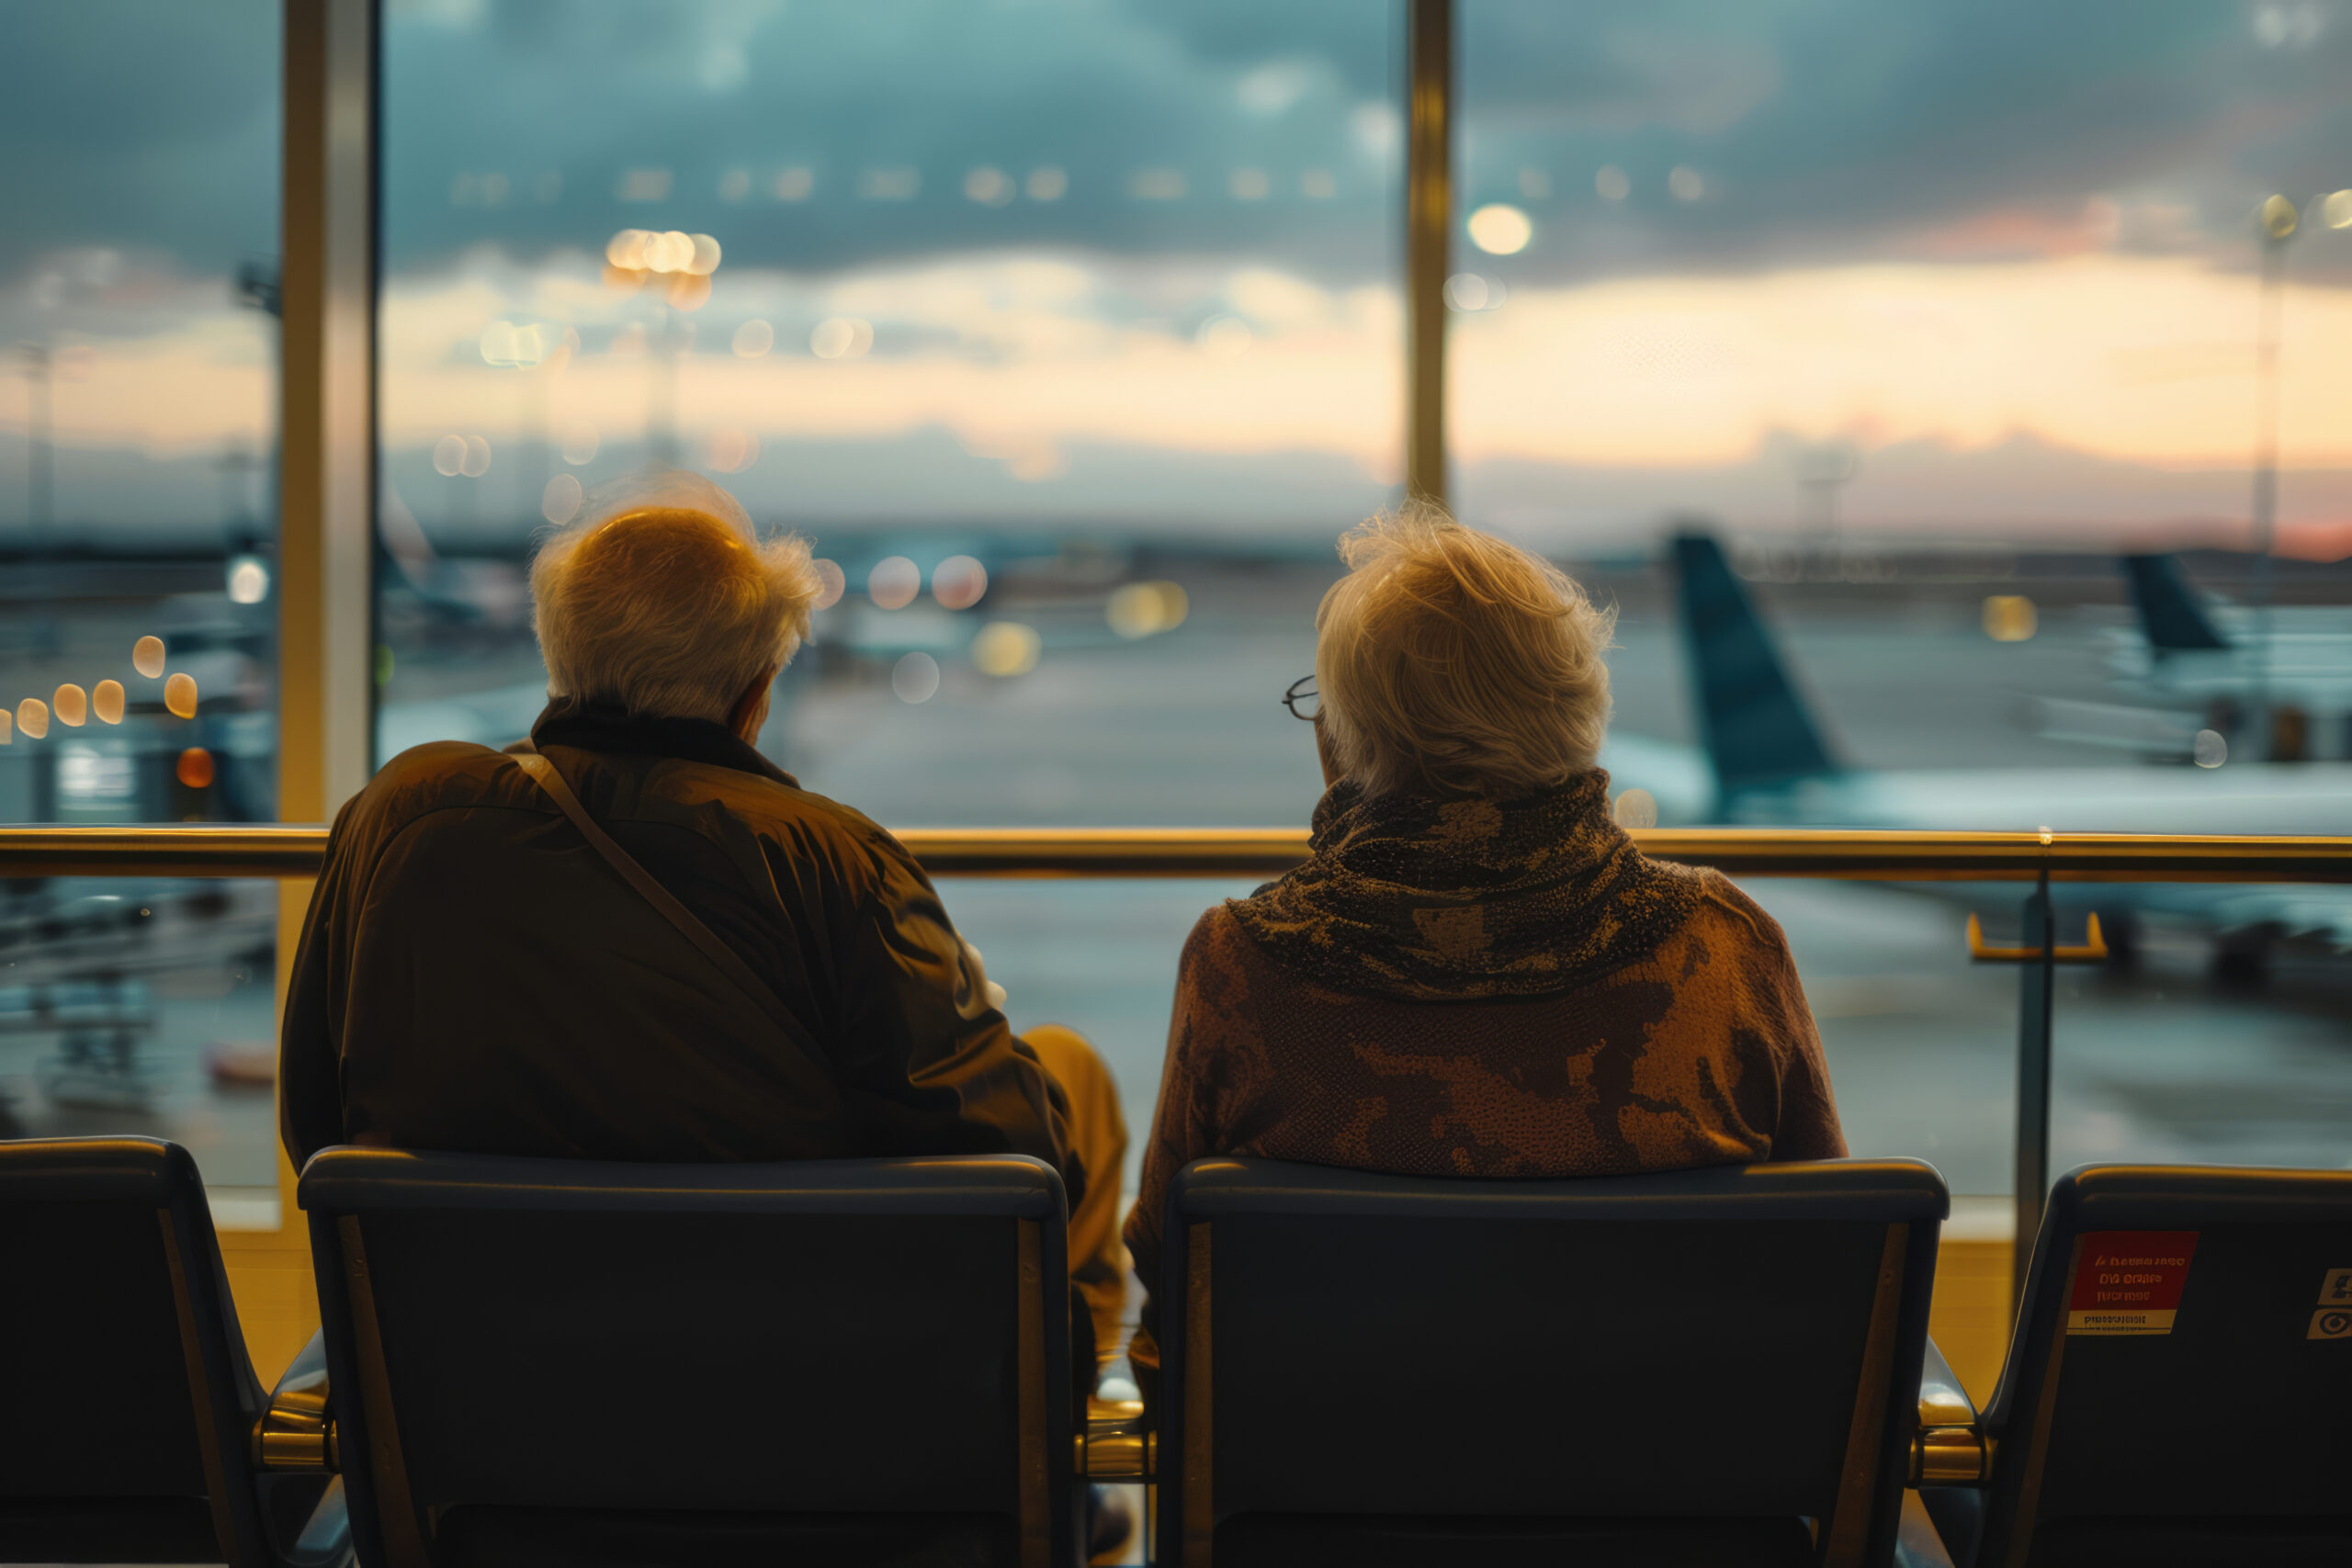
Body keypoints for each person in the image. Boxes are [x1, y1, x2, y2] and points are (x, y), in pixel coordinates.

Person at [278, 472, 1129, 1363]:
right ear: (756, 690)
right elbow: (1003, 1153)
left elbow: (315, 1120)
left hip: (472, 1378)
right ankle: (1058, 1467)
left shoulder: (405, 812)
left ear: (558, 650)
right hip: (786, 1375)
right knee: (1070, 1077)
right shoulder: (831, 859)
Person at [1122, 500, 1845, 1378]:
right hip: (1667, 1504)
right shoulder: (1722, 950)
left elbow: (1170, 1272)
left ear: (1347, 745)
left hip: (1324, 1505)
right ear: (1579, 717)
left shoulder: (1242, 969)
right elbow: (1831, 1256)